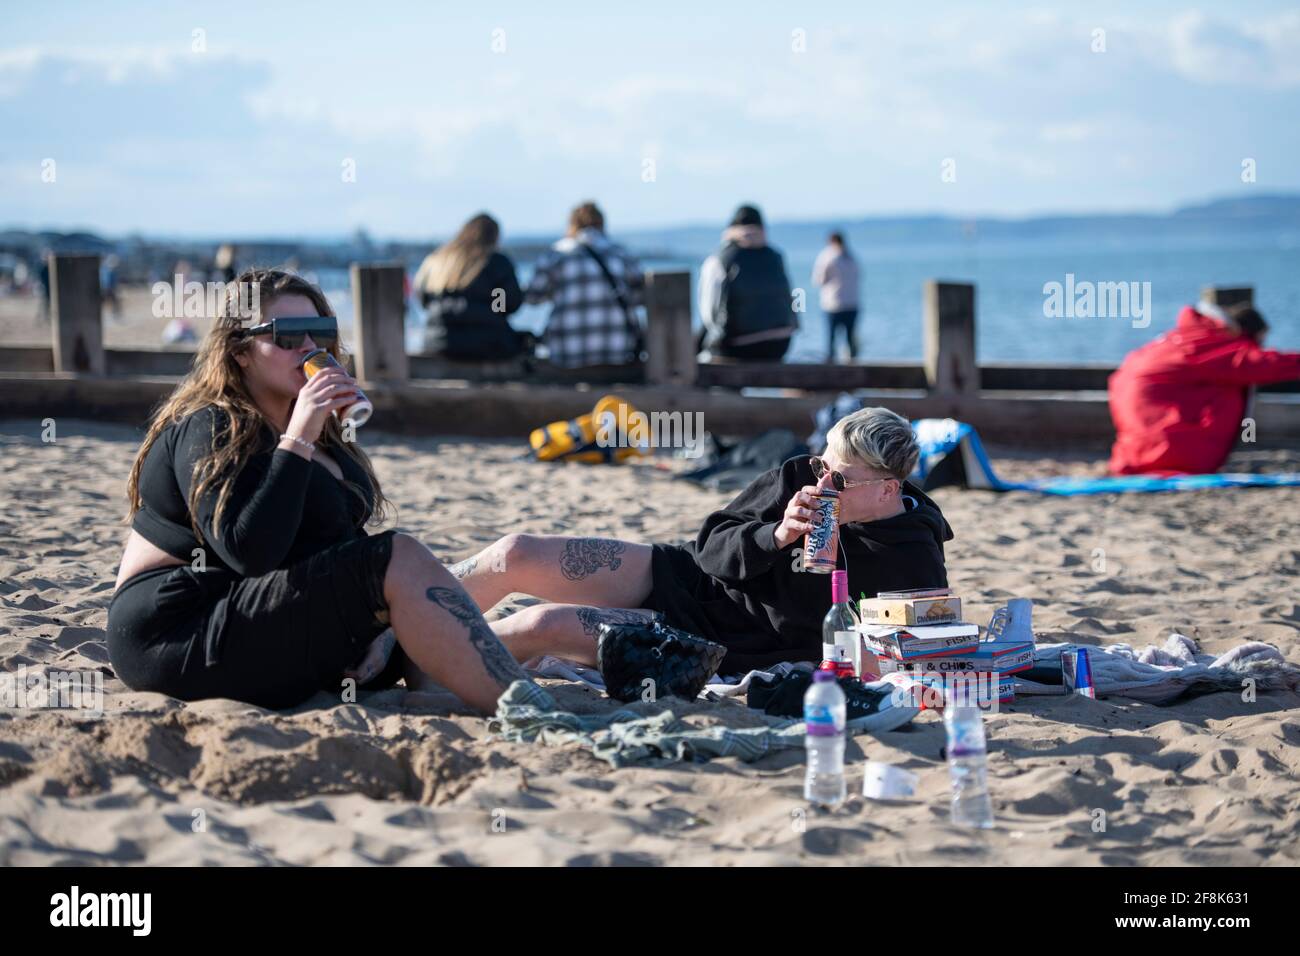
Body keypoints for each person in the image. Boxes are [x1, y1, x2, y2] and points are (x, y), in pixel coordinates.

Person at [107, 268, 536, 712]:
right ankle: (530, 712)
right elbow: (249, 550)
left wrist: (376, 626)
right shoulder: (211, 423)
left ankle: (586, 641)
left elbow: (335, 546)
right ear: (239, 351)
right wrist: (298, 437)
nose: (309, 347)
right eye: (288, 335)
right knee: (400, 555)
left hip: (257, 618)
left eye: (319, 332)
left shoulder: (319, 437)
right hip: (177, 630)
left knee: (528, 597)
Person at [454, 407, 951, 676]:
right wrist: (774, 535)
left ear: (889, 488)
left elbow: (908, 647)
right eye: (822, 466)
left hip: (717, 640)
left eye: (839, 479)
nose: (821, 484)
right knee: (514, 552)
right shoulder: (798, 477)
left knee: (542, 623)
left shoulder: (912, 555)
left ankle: (425, 657)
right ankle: (399, 613)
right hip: (685, 575)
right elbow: (712, 542)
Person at [1108, 301, 1300, 475]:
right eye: (1258, 342)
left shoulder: (1182, 338)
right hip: (1168, 451)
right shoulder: (1214, 344)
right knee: (1231, 387)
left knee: (1219, 383)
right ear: (1244, 335)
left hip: (1135, 448)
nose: (1259, 348)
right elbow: (1259, 364)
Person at [525, 201, 644, 369]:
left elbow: (532, 297)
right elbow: (641, 295)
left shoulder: (557, 254)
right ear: (602, 224)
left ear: (572, 224)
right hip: (618, 352)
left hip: (566, 354)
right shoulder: (621, 254)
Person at [413, 213, 527, 360]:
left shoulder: (437, 261)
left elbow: (425, 300)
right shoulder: (496, 263)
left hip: (438, 342)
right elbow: (506, 305)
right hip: (488, 343)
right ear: (494, 237)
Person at [698, 204, 798, 361]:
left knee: (700, 349)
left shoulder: (721, 258)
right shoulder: (776, 256)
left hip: (737, 346)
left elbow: (709, 313)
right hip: (780, 345)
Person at [812, 232, 861, 361]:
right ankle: (852, 362)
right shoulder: (852, 257)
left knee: (831, 338)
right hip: (852, 303)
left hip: (833, 304)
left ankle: (830, 362)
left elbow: (818, 280)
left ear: (831, 242)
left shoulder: (827, 257)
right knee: (850, 337)